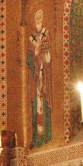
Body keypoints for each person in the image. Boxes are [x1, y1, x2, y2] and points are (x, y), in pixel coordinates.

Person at [29, 9, 53, 148]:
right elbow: (29, 58)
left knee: (44, 104)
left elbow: (48, 56)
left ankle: (46, 135)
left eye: (40, 17)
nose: (38, 19)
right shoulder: (31, 38)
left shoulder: (46, 34)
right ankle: (36, 137)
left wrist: (44, 56)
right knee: (35, 105)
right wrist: (35, 54)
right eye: (36, 17)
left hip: (44, 75)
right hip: (35, 78)